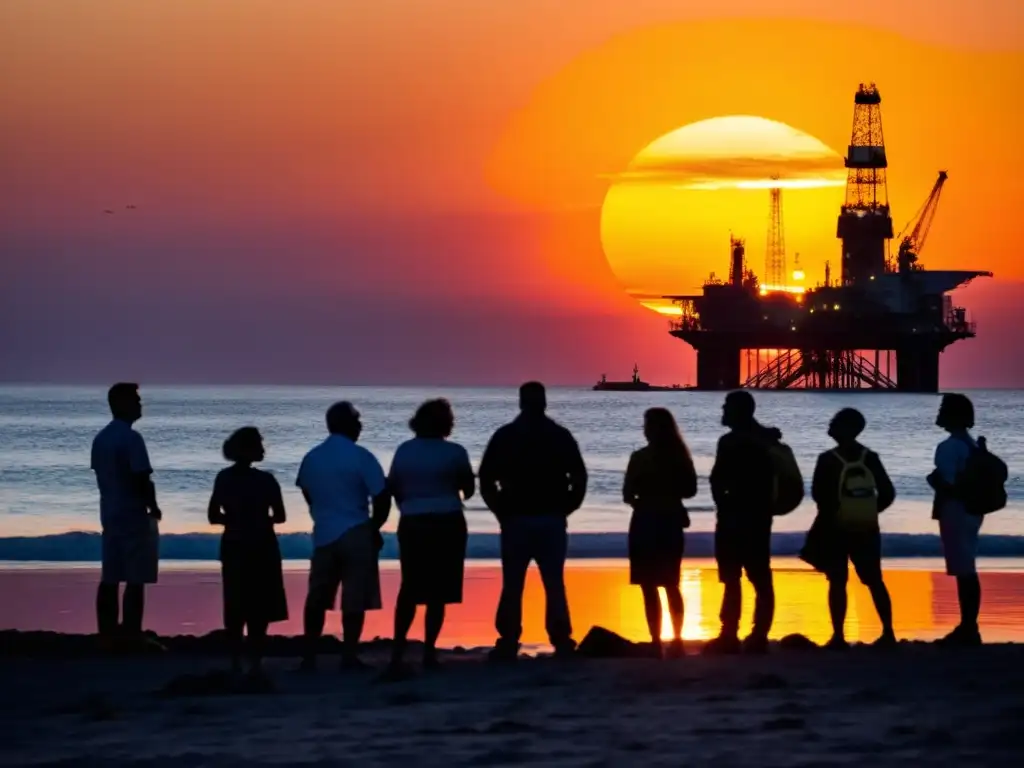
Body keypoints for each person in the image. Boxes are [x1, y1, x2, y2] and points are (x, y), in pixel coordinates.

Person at [479, 382, 587, 660]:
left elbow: (487, 478)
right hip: (546, 518)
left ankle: (509, 640)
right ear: (544, 403)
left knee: (513, 583)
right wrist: (567, 508)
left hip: (519, 519)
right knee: (553, 583)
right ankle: (560, 640)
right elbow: (579, 477)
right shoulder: (559, 435)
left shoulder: (506, 436)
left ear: (520, 403)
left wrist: (499, 511)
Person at [296, 402, 391, 670]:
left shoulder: (313, 457)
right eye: (357, 420)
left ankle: (309, 656)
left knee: (317, 596)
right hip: (356, 528)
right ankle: (348, 655)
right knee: (355, 596)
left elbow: (307, 491)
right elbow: (382, 495)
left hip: (325, 532)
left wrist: (322, 513)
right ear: (347, 424)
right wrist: (374, 526)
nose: (360, 425)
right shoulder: (361, 456)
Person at [385, 399, 475, 675]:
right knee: (439, 590)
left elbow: (393, 487)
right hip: (447, 520)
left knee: (409, 587)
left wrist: (407, 504)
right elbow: (469, 490)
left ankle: (398, 651)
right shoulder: (455, 452)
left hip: (413, 520)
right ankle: (428, 651)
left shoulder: (404, 451)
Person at [804, 408, 896, 648]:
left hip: (835, 527)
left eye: (835, 422)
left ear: (846, 428)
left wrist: (837, 512)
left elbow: (818, 495)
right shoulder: (870, 456)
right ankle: (888, 633)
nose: (830, 424)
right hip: (866, 527)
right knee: (875, 580)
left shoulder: (827, 459)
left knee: (837, 581)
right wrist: (868, 511)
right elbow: (887, 492)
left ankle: (838, 636)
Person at [706, 390, 782, 654]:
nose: (723, 411)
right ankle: (755, 634)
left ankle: (735, 634)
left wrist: (723, 503)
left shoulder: (731, 442)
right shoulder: (767, 439)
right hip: (755, 516)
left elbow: (717, 479)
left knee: (737, 578)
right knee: (755, 577)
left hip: (739, 516)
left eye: (727, 407)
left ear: (739, 411)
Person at [208, 427, 288, 675]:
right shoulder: (266, 480)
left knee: (235, 603)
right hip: (262, 544)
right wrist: (260, 520)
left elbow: (213, 516)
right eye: (260, 444)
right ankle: (255, 661)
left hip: (234, 543)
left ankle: (235, 661)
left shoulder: (224, 478)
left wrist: (234, 520)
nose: (264, 449)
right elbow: (281, 516)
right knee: (260, 606)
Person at [90, 382, 162, 650]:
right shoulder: (132, 439)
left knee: (111, 574)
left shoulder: (102, 438)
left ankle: (107, 632)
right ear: (121, 404)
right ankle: (132, 632)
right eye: (135, 400)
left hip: (110, 512)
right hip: (132, 512)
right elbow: (141, 477)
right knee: (135, 576)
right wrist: (152, 507)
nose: (140, 404)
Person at [622, 408, 698, 656]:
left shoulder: (640, 457)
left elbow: (627, 494)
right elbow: (690, 490)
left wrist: (644, 497)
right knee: (670, 583)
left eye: (647, 425)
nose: (644, 430)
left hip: (645, 521)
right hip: (670, 520)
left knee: (649, 585)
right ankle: (676, 640)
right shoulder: (680, 457)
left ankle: (655, 641)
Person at [927, 393, 984, 646]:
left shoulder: (949, 446)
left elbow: (949, 483)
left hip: (956, 509)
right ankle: (968, 626)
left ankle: (968, 628)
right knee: (966, 567)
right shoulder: (971, 444)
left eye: (943, 409)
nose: (938, 413)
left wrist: (935, 481)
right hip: (972, 509)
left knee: (964, 570)